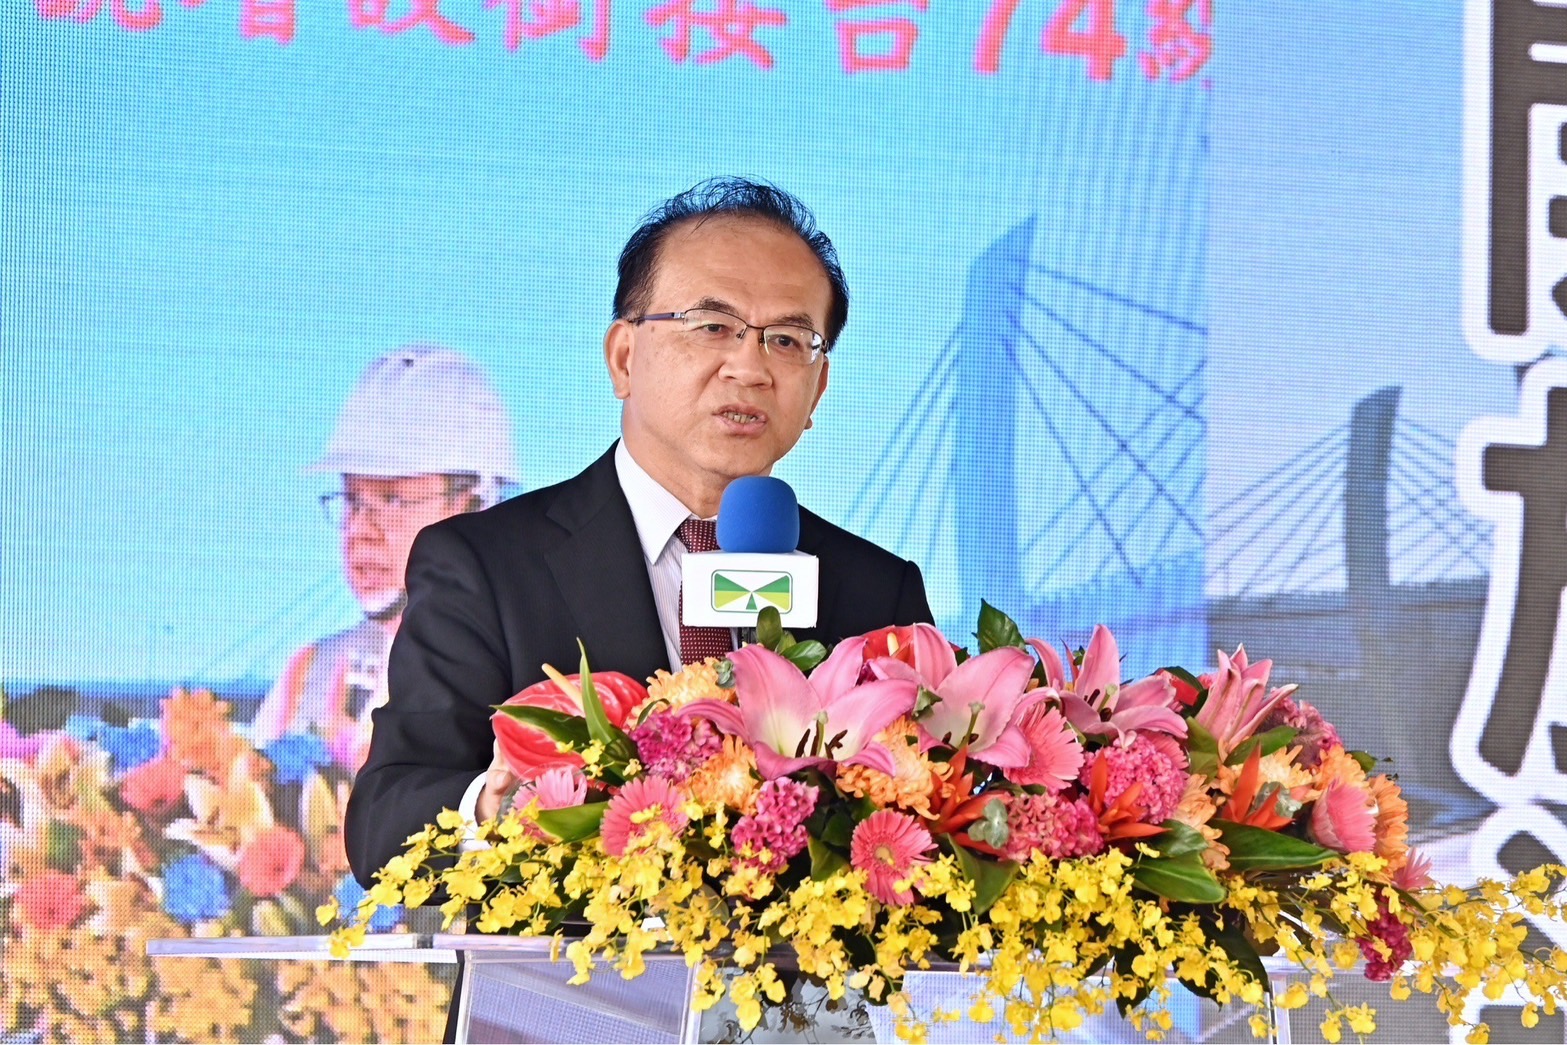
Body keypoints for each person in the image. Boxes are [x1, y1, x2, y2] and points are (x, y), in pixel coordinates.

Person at [345, 178, 934, 883]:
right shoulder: (486, 566)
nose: (749, 367)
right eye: (712, 326)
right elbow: (383, 825)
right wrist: (498, 806)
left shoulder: (875, 590)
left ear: (818, 390)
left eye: (786, 340)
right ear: (623, 357)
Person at [251, 347, 519, 773]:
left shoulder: (531, 677)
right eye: (352, 499)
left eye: (392, 499)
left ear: (473, 507)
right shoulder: (309, 673)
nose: (359, 528)